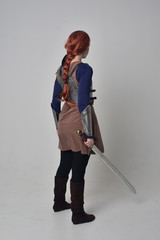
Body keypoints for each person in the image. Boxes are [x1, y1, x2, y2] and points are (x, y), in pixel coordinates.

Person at [51, 30, 104, 224]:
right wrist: (89, 135)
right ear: (85, 48)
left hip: (64, 120)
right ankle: (78, 213)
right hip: (78, 123)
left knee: (65, 163)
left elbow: (53, 103)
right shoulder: (85, 69)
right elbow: (83, 105)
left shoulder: (61, 69)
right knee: (79, 167)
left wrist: (58, 127)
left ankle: (58, 203)